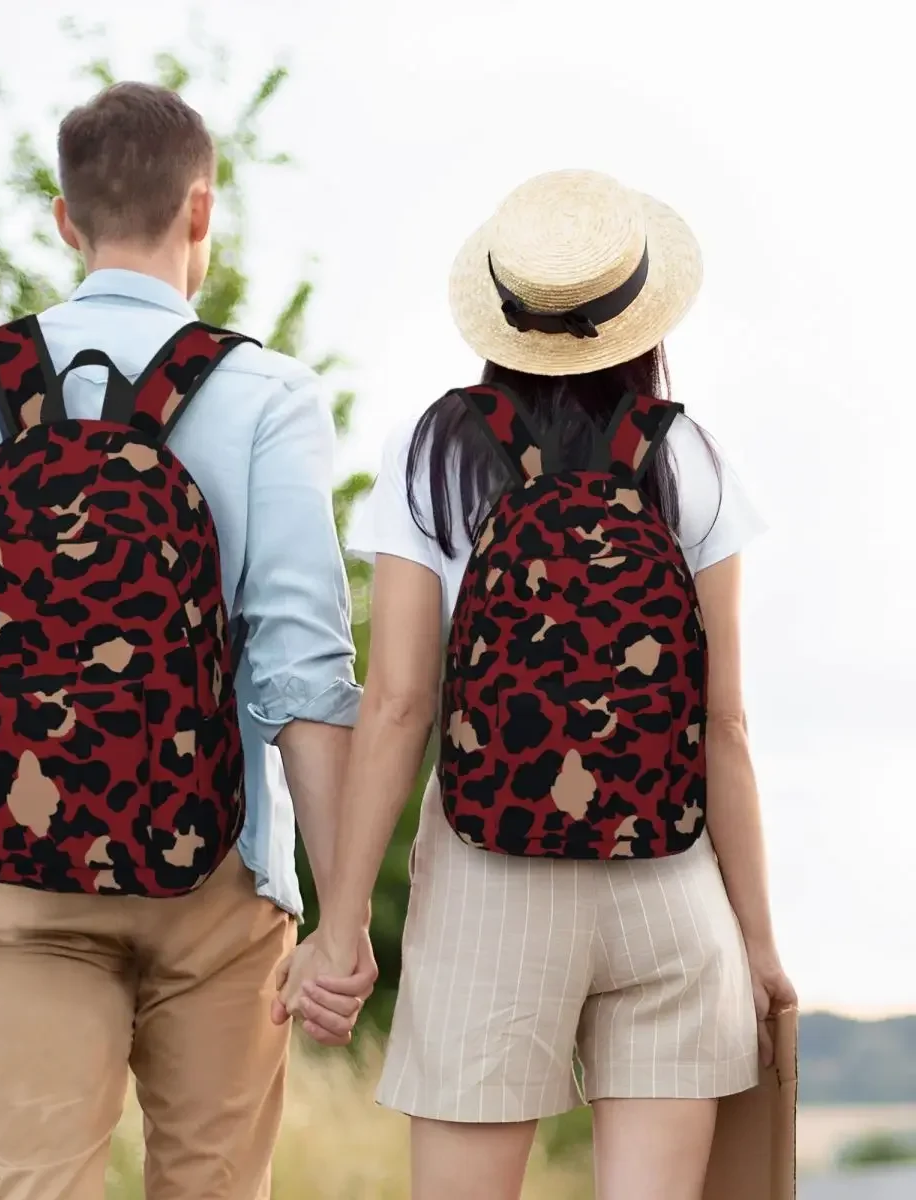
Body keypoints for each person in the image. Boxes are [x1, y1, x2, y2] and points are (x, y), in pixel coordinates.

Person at [0, 81, 376, 1200]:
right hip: (217, 873)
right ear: (202, 212)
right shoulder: (266, 395)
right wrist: (343, 914)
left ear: (66, 220)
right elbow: (304, 679)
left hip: (17, 879)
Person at [277, 169, 797, 1200]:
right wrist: (759, 944)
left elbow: (398, 705)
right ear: (641, 316)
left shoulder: (433, 451)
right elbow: (723, 724)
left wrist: (339, 926)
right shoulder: (689, 456)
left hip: (489, 879)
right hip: (669, 882)